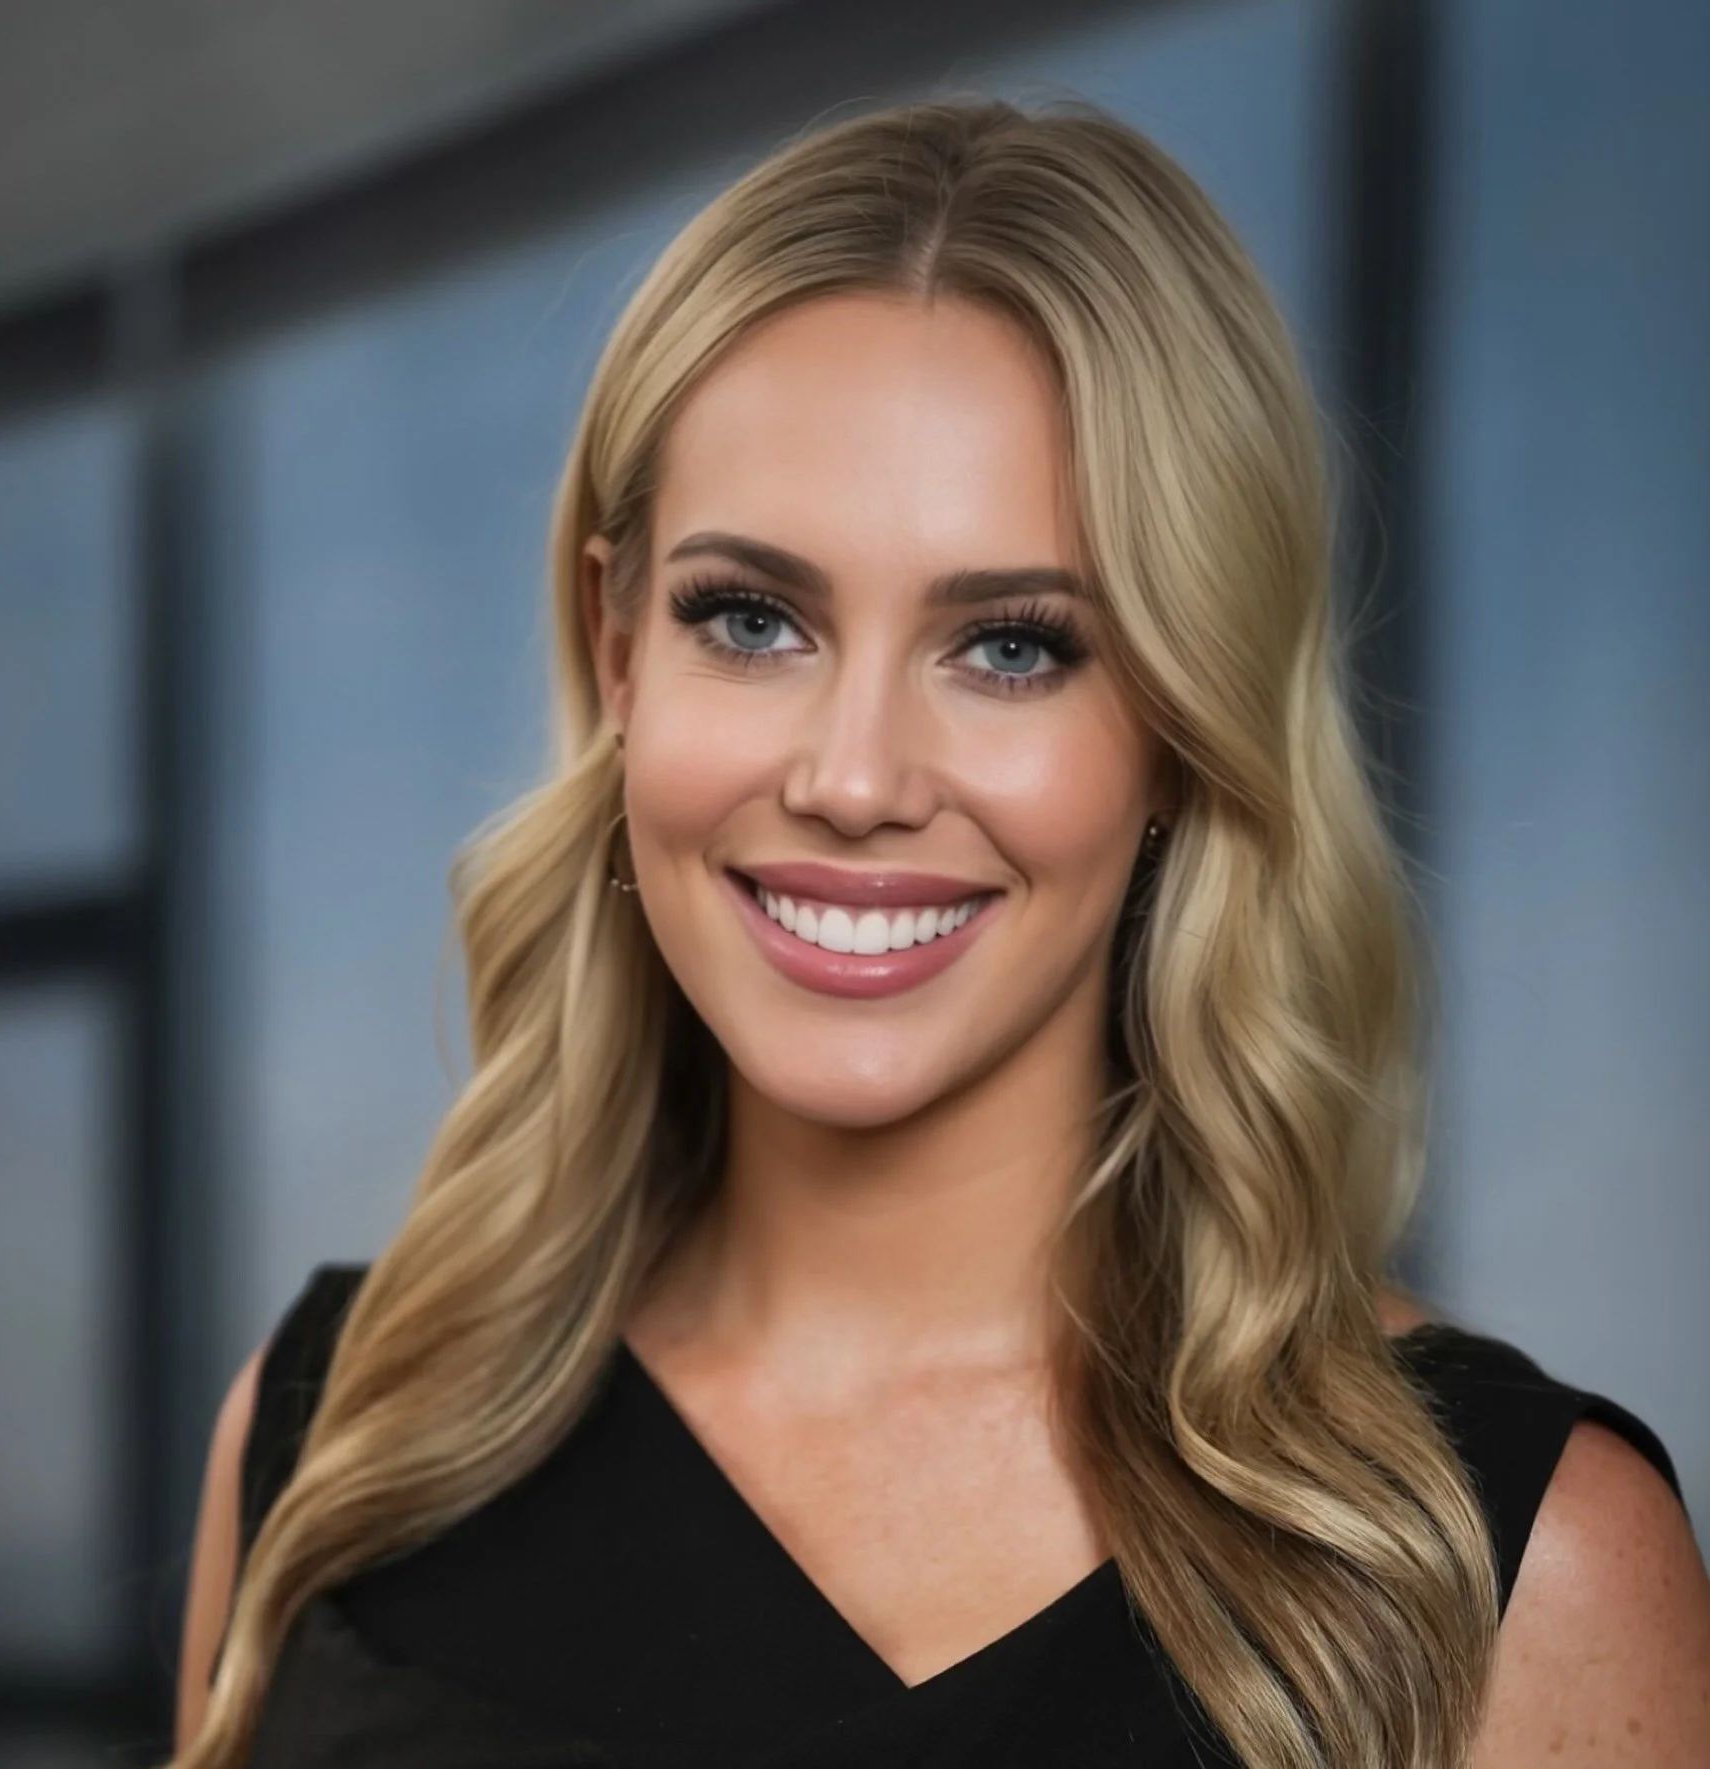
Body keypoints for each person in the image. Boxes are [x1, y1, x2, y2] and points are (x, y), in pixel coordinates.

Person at [170, 97, 1710, 1768]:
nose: (853, 779)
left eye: (1015, 647)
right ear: (620, 658)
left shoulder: (1511, 1568)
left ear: (1187, 734)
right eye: (750, 620)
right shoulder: (340, 1430)